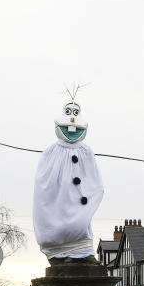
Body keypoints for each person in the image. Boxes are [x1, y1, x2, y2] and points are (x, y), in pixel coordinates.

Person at [32, 100, 103, 263]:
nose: (72, 127)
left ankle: (82, 252)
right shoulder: (51, 151)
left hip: (80, 198)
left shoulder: (86, 151)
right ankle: (59, 252)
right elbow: (44, 181)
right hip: (60, 196)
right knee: (59, 218)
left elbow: (94, 178)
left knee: (80, 222)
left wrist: (90, 193)